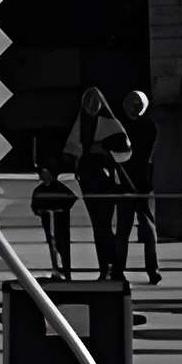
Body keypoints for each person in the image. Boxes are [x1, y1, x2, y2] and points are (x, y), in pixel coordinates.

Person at [61, 86, 132, 280]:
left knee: (104, 225)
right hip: (88, 179)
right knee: (99, 225)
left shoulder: (109, 123)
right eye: (88, 102)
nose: (91, 106)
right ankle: (106, 268)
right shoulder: (82, 124)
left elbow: (124, 149)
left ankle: (112, 268)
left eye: (94, 102)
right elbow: (71, 151)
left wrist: (99, 148)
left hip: (104, 178)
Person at [114, 89, 162, 283]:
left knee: (149, 229)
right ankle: (117, 269)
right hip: (125, 183)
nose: (134, 108)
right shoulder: (120, 127)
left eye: (137, 105)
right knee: (123, 230)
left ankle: (153, 269)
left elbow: (145, 156)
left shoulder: (148, 127)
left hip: (142, 185)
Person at [31, 148, 76, 279]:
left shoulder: (60, 188)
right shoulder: (39, 190)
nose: (41, 175)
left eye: (44, 172)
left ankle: (66, 271)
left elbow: (71, 199)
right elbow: (34, 204)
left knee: (63, 245)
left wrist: (61, 209)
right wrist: (39, 211)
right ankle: (55, 267)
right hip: (48, 221)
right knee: (52, 245)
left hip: (60, 222)